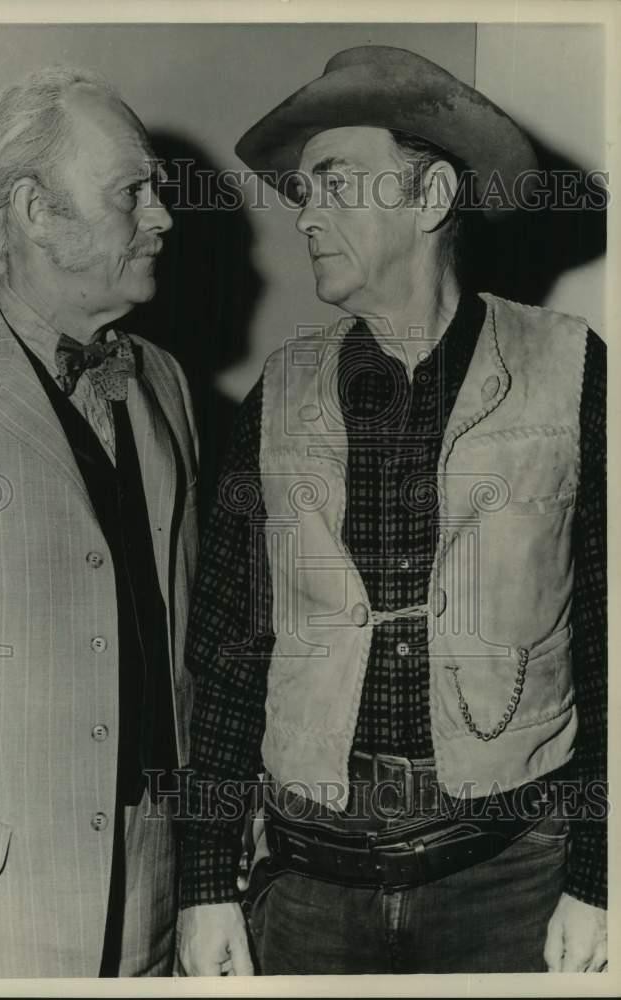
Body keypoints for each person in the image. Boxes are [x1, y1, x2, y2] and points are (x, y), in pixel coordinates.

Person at [177, 45, 606, 975]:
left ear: (431, 196)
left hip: (510, 885)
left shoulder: (573, 371)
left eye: (335, 182)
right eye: (303, 193)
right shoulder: (278, 393)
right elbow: (227, 652)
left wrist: (600, 877)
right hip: (309, 890)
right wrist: (205, 884)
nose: (306, 215)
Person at [0, 66, 198, 978]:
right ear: (35, 209)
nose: (162, 217)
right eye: (132, 191)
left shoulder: (167, 383)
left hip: (159, 895)